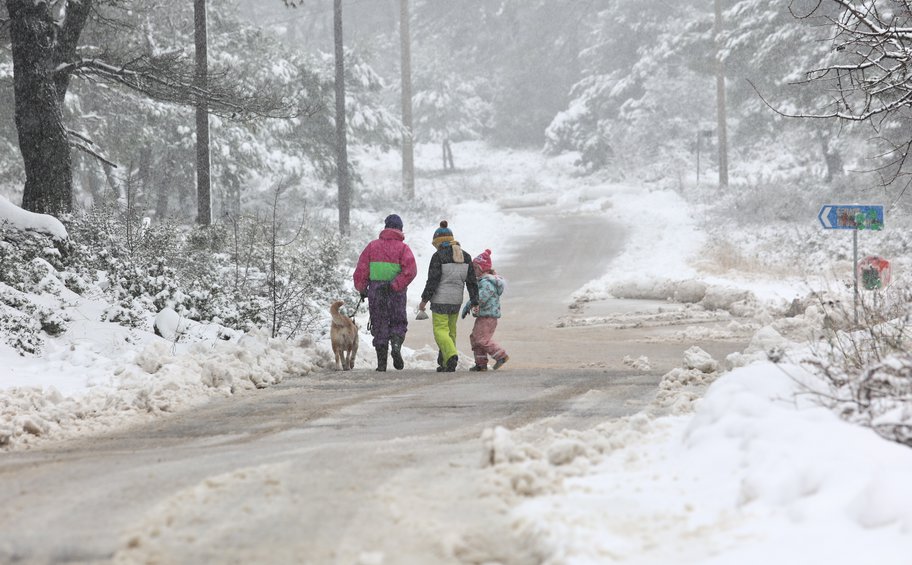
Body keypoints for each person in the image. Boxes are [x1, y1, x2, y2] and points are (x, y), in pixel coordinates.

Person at [353, 214, 417, 371]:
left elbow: (361, 270)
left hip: (377, 292)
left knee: (379, 324)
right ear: (400, 229)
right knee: (398, 322)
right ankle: (396, 345)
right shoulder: (403, 249)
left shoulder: (372, 246)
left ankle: (381, 364)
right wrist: (395, 285)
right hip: (396, 293)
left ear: (385, 227)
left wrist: (362, 289)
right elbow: (411, 271)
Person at [418, 220, 479, 372]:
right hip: (456, 301)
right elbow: (472, 281)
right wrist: (474, 300)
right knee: (451, 331)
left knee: (440, 330)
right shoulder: (465, 256)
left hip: (440, 300)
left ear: (438, 242)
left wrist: (424, 300)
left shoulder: (438, 256)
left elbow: (432, 281)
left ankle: (451, 355)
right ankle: (446, 363)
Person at [461, 249, 509, 371]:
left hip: (488, 317)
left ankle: (500, 355)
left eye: (476, 268)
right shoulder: (483, 282)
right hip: (483, 316)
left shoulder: (487, 283)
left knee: (481, 339)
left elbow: (481, 298)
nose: (474, 271)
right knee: (475, 338)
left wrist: (469, 305)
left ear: (482, 269)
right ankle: (480, 363)